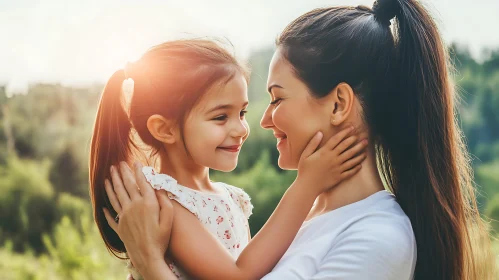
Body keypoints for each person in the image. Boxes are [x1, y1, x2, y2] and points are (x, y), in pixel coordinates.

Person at [104, 0, 496, 279]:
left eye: (277, 98)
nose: (262, 121)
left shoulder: (378, 238)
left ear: (339, 103)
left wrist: (151, 263)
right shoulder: (305, 222)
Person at [89, 39, 367, 279]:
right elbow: (239, 275)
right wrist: (307, 185)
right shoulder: (165, 202)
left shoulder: (229, 197)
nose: (241, 130)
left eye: (242, 113)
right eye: (221, 117)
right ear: (164, 129)